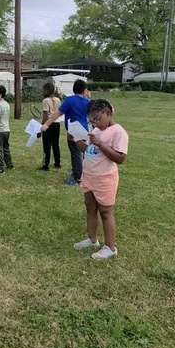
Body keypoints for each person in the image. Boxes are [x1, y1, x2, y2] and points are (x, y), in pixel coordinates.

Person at [73, 99, 129, 260]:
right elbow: (89, 149)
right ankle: (92, 239)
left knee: (105, 212)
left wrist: (101, 144)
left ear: (108, 113)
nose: (94, 123)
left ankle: (110, 247)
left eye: (97, 119)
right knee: (90, 208)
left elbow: (120, 158)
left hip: (105, 179)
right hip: (89, 176)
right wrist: (77, 140)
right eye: (91, 120)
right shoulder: (96, 130)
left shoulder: (118, 132)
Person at [41, 79, 90, 185]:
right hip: (86, 130)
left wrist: (46, 124)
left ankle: (77, 177)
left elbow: (57, 114)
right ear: (84, 90)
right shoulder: (87, 101)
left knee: (75, 154)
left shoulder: (70, 100)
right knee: (84, 153)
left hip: (73, 130)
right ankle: (84, 174)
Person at [40, 82, 62, 171]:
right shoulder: (58, 100)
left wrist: (43, 124)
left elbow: (45, 114)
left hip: (48, 123)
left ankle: (46, 164)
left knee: (47, 144)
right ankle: (57, 163)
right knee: (56, 144)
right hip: (57, 123)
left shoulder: (45, 100)